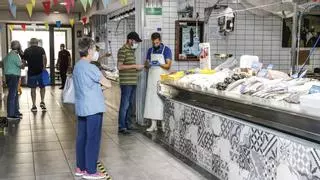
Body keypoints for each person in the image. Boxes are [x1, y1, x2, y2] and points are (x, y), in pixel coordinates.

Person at [73, 37, 111, 180]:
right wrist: (102, 79)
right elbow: (108, 84)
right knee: (93, 139)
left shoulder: (77, 66)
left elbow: (86, 85)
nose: (95, 52)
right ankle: (90, 171)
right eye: (95, 49)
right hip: (93, 108)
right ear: (89, 50)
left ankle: (80, 167)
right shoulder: (92, 68)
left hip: (82, 107)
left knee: (81, 137)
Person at [144, 32, 172, 132]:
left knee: (161, 101)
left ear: (160, 41)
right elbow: (146, 65)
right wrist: (148, 64)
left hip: (161, 77)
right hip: (151, 77)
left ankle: (164, 124)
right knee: (151, 100)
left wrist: (159, 64)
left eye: (157, 43)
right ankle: (153, 124)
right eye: (153, 43)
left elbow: (168, 65)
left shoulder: (166, 50)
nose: (155, 44)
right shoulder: (150, 50)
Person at [117, 32, 144, 134]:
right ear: (130, 40)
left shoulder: (132, 51)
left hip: (133, 81)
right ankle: (122, 126)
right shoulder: (122, 50)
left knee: (130, 105)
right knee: (125, 104)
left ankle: (128, 124)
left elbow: (130, 66)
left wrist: (139, 68)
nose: (136, 43)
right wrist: (134, 66)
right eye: (135, 41)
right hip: (126, 82)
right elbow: (119, 66)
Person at [24, 38, 47, 112]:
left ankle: (34, 105)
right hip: (41, 71)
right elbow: (44, 59)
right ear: (37, 43)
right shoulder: (41, 49)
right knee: (42, 87)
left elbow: (24, 62)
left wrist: (28, 63)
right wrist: (44, 67)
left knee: (33, 89)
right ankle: (42, 101)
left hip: (31, 72)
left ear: (30, 43)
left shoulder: (27, 50)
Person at [3, 41, 24, 120]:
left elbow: (3, 64)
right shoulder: (14, 55)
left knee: (14, 94)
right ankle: (11, 114)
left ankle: (15, 112)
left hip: (9, 76)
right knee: (12, 95)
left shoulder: (8, 55)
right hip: (13, 76)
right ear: (18, 47)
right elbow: (21, 66)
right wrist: (24, 60)